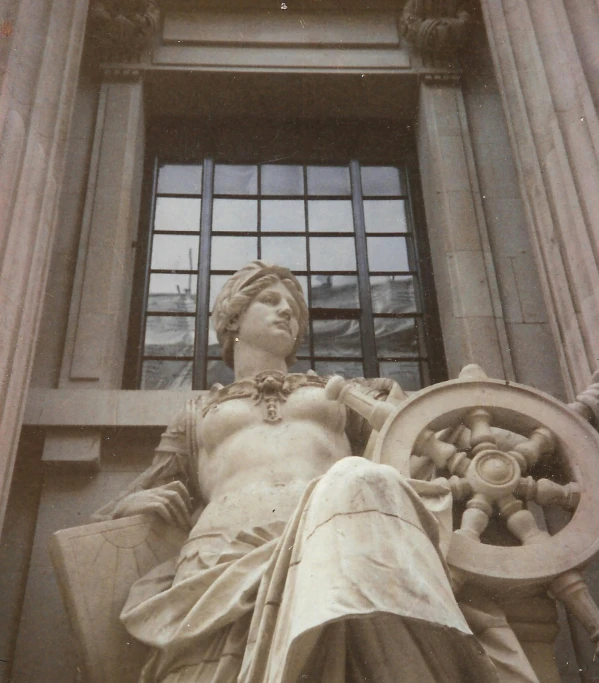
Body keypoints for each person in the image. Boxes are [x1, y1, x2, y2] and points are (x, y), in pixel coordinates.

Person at [94, 261, 539, 683]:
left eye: (292, 306)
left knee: (359, 478)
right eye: (269, 300)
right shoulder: (197, 412)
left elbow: (420, 435)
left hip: (333, 547)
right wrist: (136, 502)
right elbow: (126, 501)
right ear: (232, 319)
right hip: (223, 559)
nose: (287, 310)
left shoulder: (340, 393)